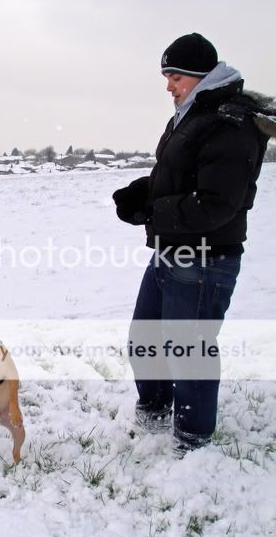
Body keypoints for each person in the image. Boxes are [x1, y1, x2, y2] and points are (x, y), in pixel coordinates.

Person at [113, 33, 276, 455]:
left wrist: (152, 212)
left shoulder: (231, 124)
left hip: (206, 259)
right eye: (167, 76)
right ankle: (154, 411)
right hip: (170, 252)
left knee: (189, 351)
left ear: (202, 77)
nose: (169, 85)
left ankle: (192, 441)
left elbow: (217, 204)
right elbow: (177, 178)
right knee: (144, 339)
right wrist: (141, 192)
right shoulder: (191, 115)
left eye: (175, 76)